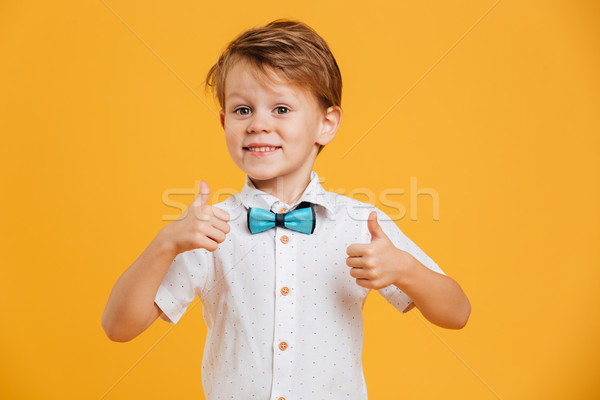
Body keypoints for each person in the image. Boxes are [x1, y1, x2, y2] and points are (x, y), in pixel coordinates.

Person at [101, 18, 471, 399]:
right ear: (224, 122)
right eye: (243, 110)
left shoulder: (361, 224)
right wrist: (166, 243)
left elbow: (456, 312)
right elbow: (118, 326)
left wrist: (405, 269)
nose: (259, 124)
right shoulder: (210, 229)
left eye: (280, 108)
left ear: (326, 125)